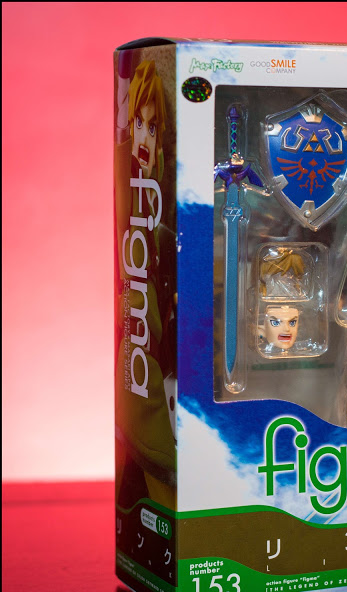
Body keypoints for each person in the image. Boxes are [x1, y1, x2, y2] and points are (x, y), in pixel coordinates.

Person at [115, 57, 176, 510]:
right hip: (140, 362)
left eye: (152, 129)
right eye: (140, 123)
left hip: (155, 349)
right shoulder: (129, 173)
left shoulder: (154, 180)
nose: (144, 138)